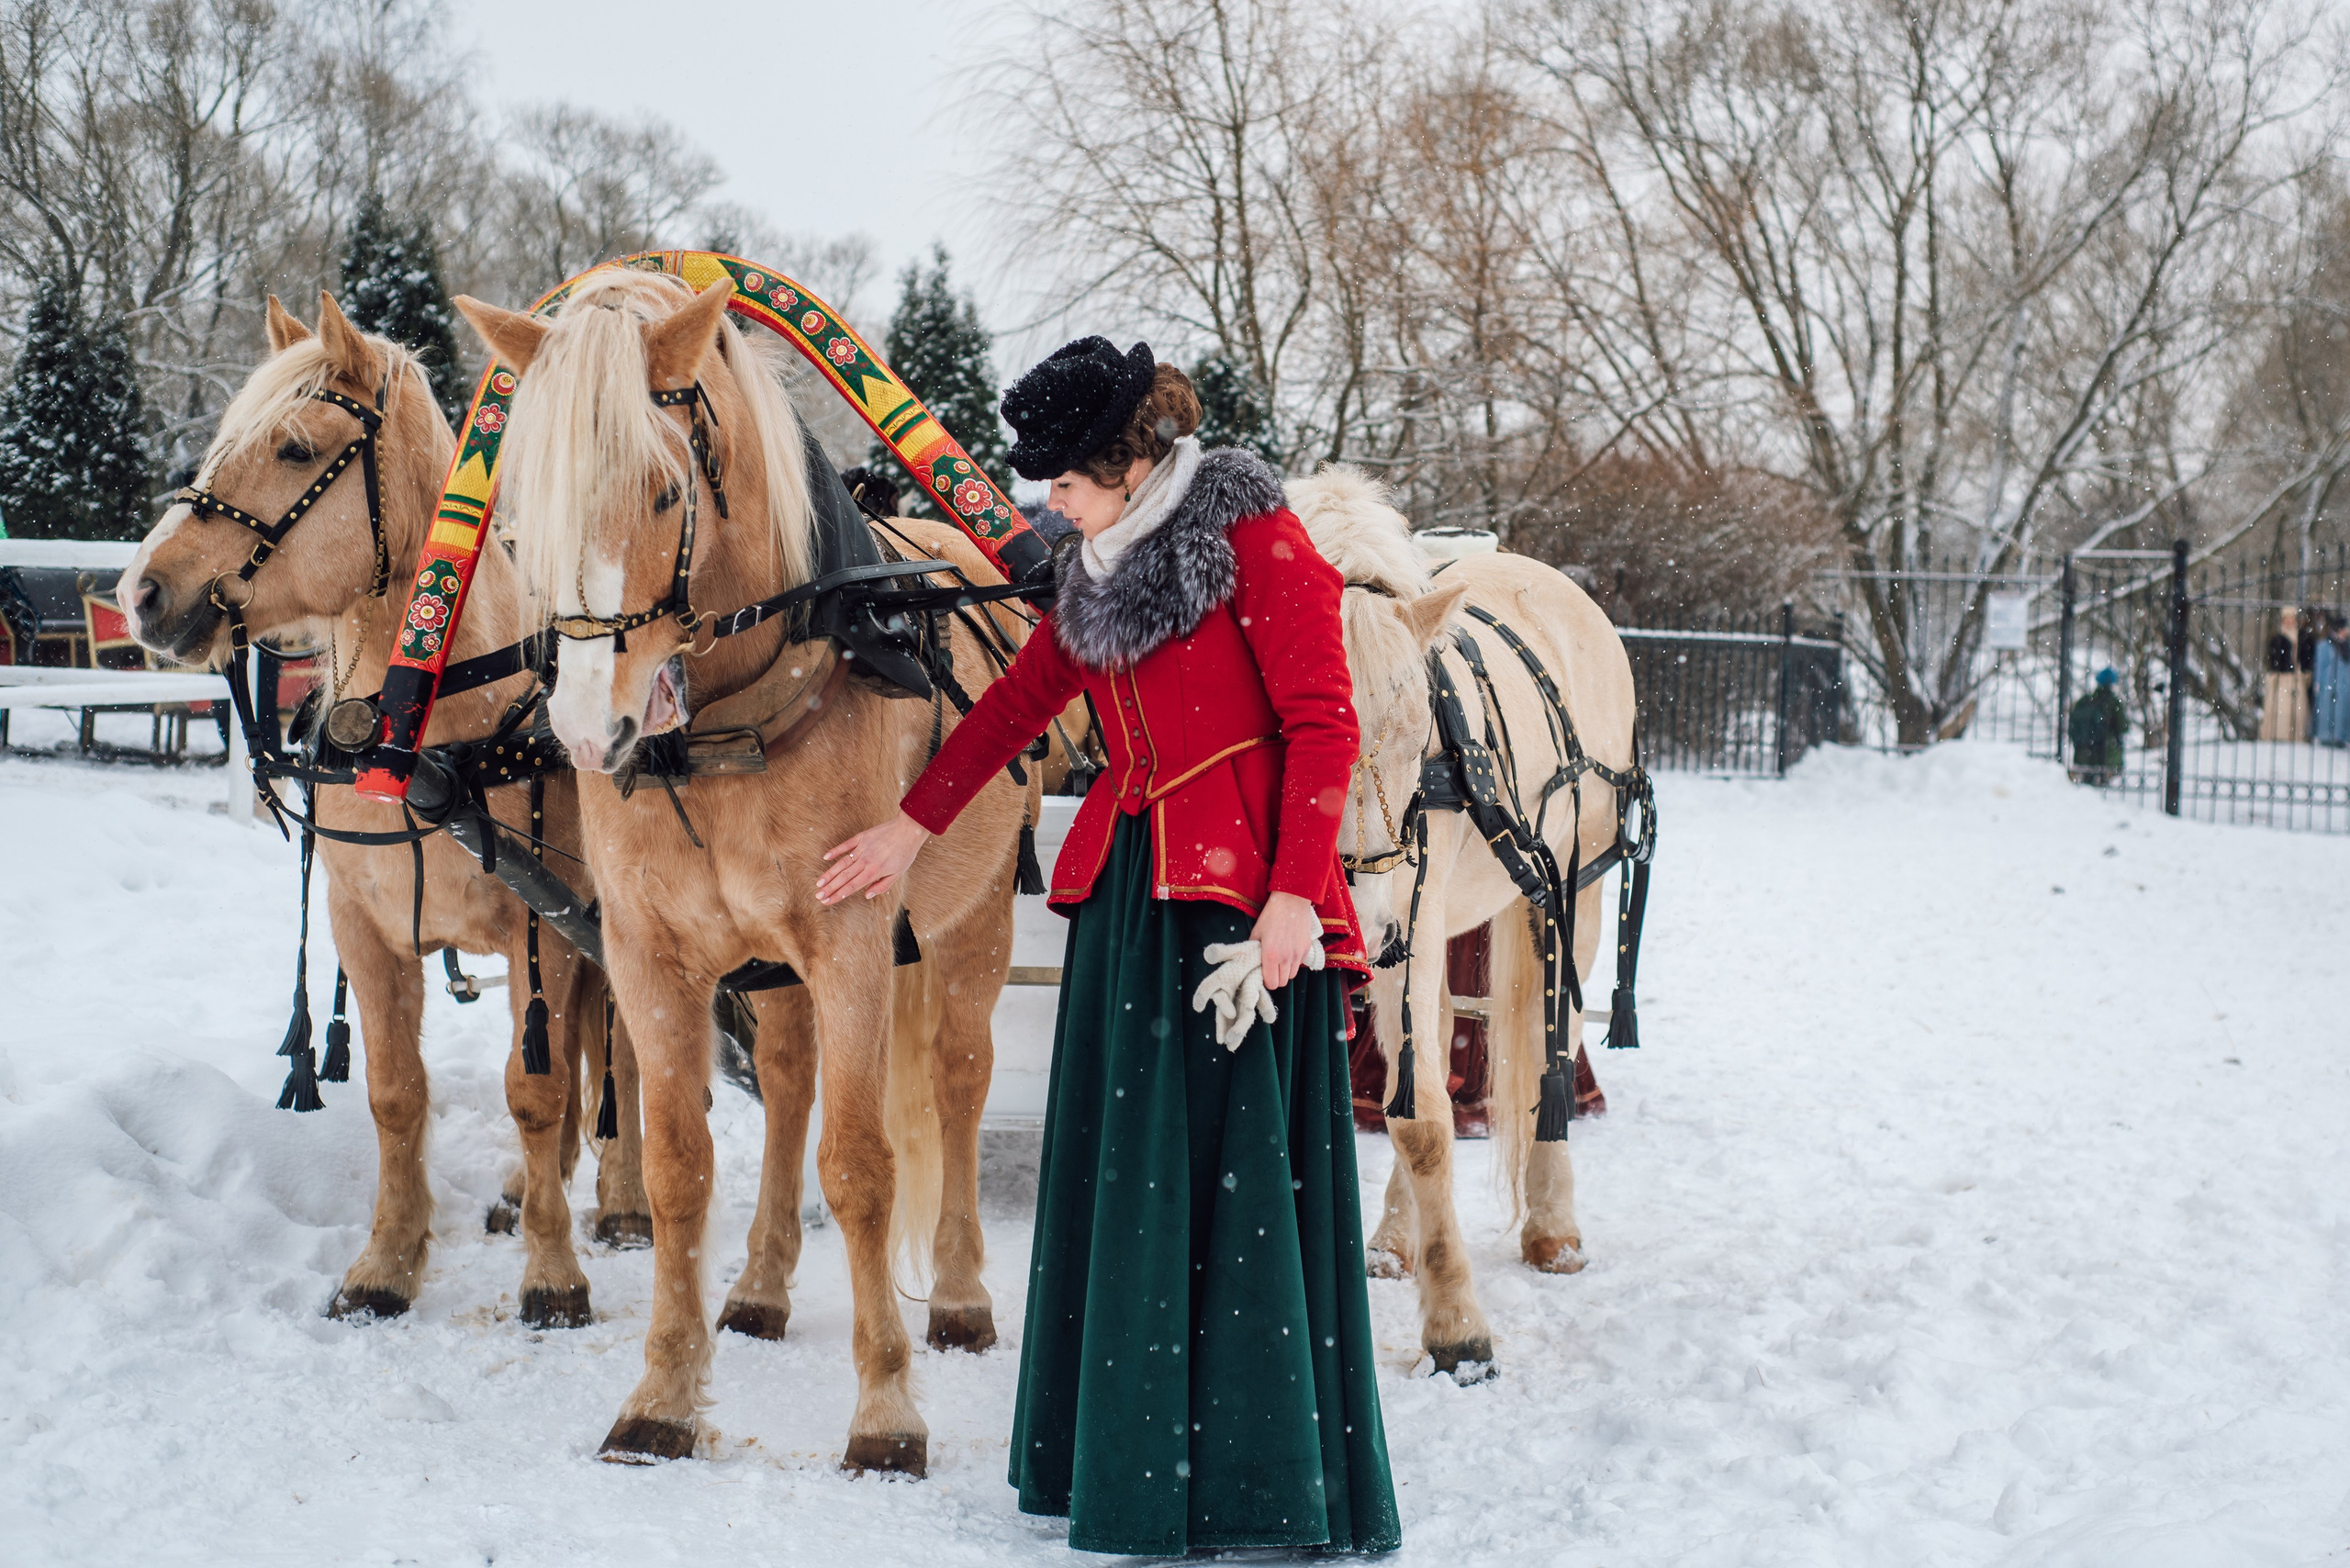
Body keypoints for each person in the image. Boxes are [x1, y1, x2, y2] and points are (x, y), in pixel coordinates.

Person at [817, 338, 1401, 1557]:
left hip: (1242, 906)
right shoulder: (1098, 565)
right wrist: (910, 827)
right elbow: (1019, 705)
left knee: (1225, 1192)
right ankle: (1129, 1463)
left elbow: (1322, 722)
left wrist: (1297, 899)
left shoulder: (1256, 541)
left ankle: (1251, 1479)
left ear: (1130, 462)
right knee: (1126, 1182)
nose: (1050, 506)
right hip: (1135, 894)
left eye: (1066, 483)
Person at [2067, 666, 2129, 784]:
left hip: (2084, 752)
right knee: (2104, 788)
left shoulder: (2086, 701)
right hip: (2106, 752)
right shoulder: (2114, 702)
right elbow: (2123, 726)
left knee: (2087, 784)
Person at [2260, 607, 2311, 744]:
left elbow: (2304, 657)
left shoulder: (2301, 637)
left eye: (2292, 619)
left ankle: (2295, 735)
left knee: (2296, 709)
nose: (2289, 622)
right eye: (2287, 619)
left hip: (2296, 677)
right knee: (2281, 707)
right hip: (2282, 677)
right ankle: (2278, 734)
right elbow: (2273, 658)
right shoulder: (2277, 638)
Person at [2316, 613, 2350, 747]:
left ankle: (2340, 736)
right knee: (2328, 709)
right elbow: (2320, 664)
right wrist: (2318, 682)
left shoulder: (2346, 645)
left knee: (2342, 709)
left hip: (2344, 684)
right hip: (2329, 682)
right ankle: (2326, 735)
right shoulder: (2325, 644)